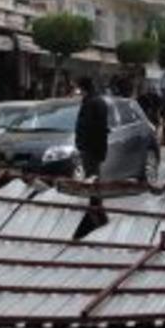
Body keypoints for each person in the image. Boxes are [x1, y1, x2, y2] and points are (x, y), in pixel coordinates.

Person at [75, 77, 109, 232]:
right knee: (93, 178)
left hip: (91, 148)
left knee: (92, 179)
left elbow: (90, 127)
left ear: (83, 88)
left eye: (78, 88)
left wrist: (82, 143)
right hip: (94, 147)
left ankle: (97, 215)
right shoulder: (96, 101)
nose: (78, 91)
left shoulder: (91, 102)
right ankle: (97, 212)